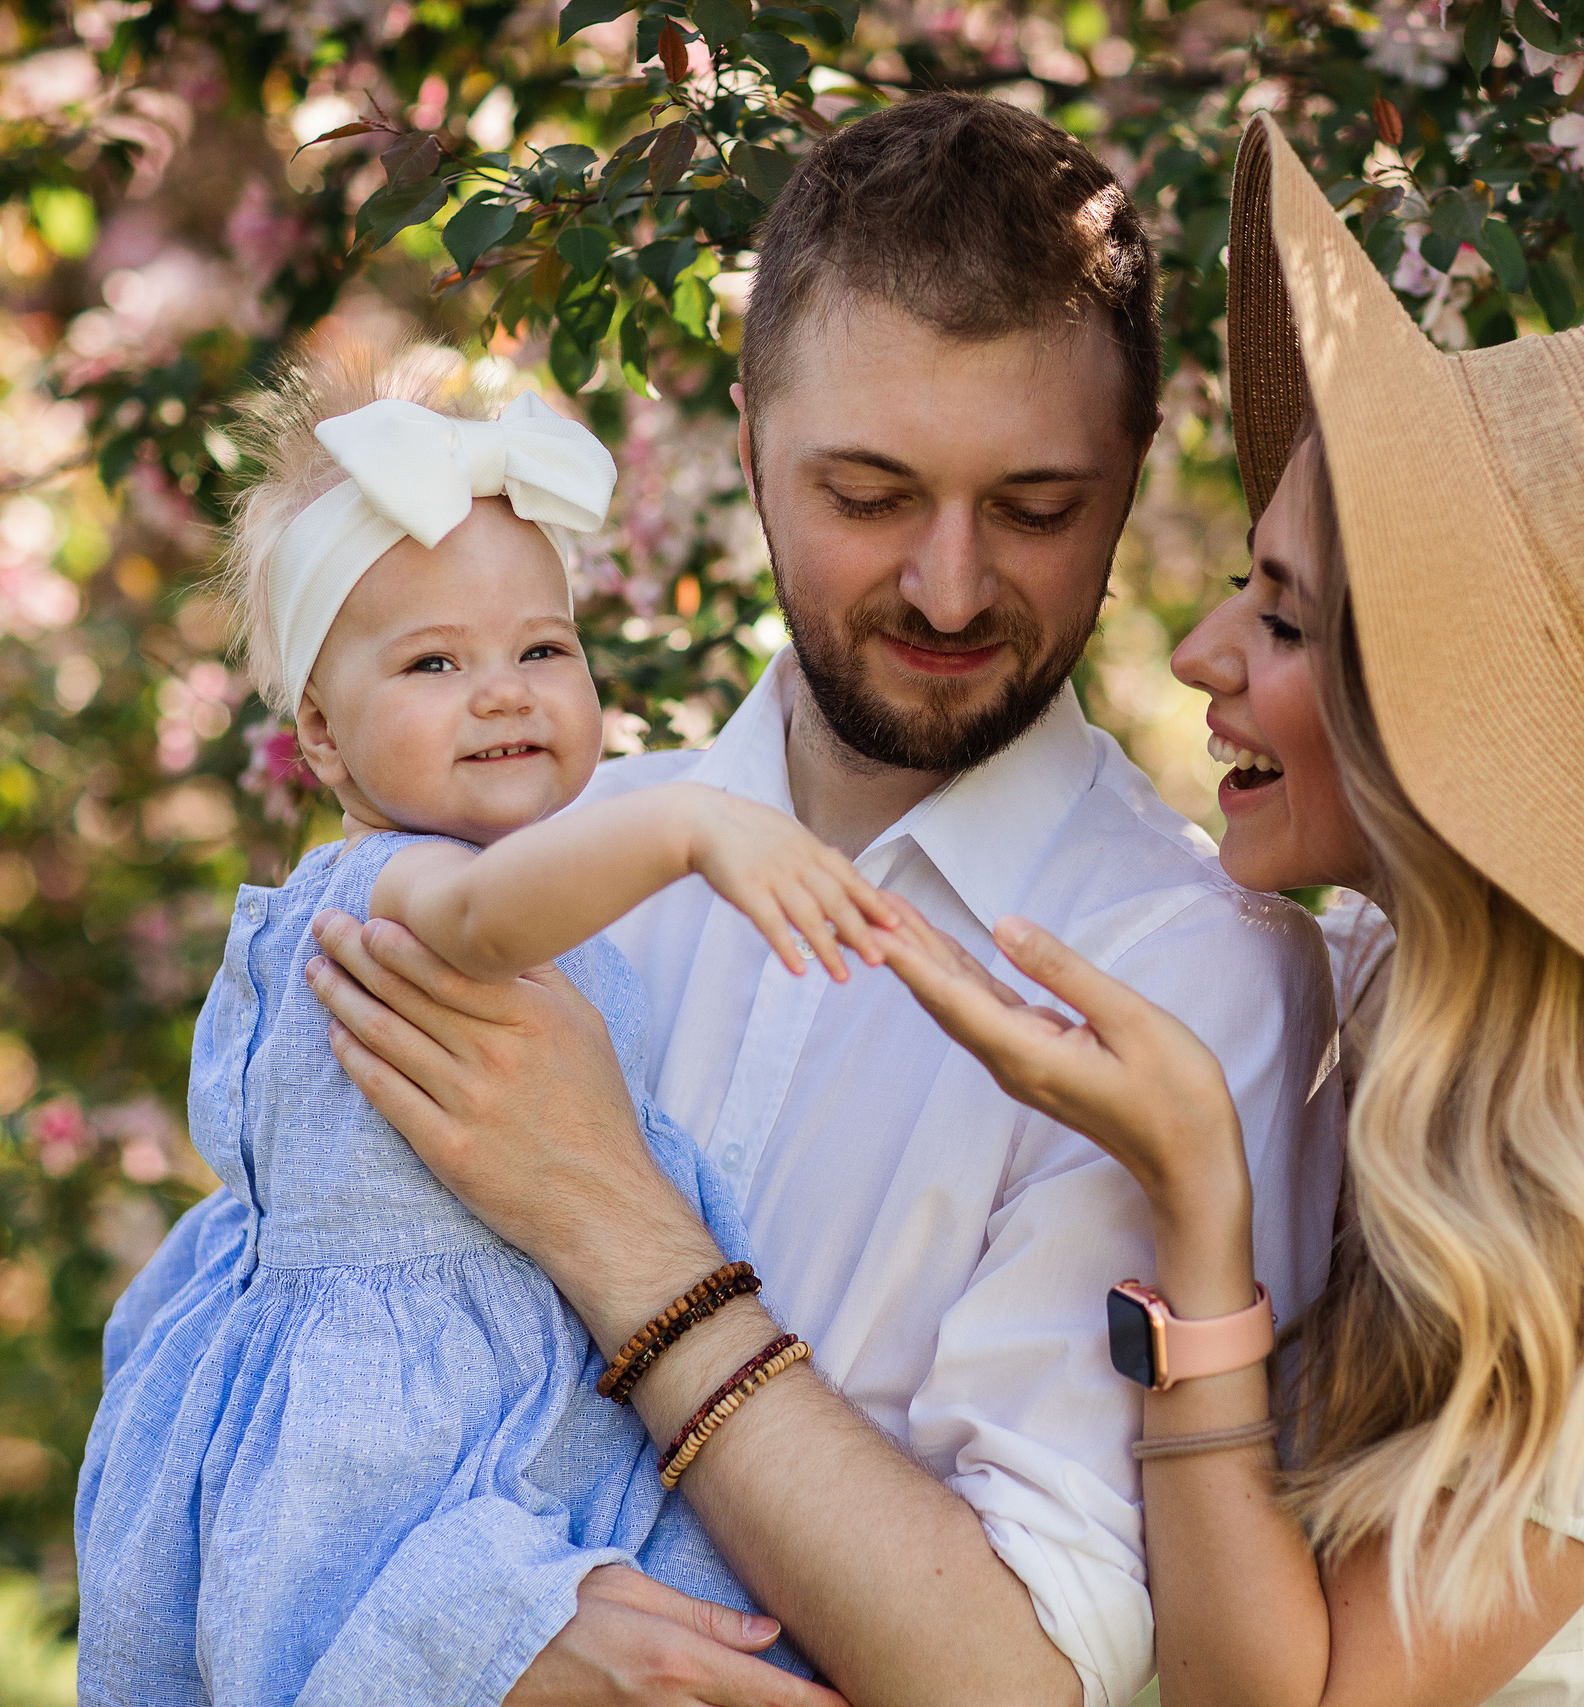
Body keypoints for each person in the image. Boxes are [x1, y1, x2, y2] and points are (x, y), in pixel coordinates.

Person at [302, 95, 1343, 1707]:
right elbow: (286, 1382)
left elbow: (1022, 1680)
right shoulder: (527, 860)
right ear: (748, 446)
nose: (945, 586)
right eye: (867, 496)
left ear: (1132, 479)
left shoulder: (1198, 980)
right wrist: (477, 1619)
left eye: (1035, 509)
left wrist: (612, 1224)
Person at [877, 116, 1584, 1706]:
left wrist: (1201, 1221)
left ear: (1450, 723)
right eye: (1247, 582)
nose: (1204, 652)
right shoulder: (1343, 994)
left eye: (1284, 618)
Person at [77, 344, 893, 1707]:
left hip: (519, 1369)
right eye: (436, 662)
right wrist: (690, 824)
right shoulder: (393, 882)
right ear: (325, 743)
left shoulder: (521, 872)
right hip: (392, 1421)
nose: (504, 689)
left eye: (542, 648)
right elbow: (480, 926)